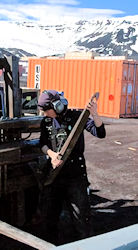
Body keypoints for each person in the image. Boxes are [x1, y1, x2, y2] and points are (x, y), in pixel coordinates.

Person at [37, 90, 106, 244]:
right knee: (49, 217)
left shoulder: (77, 118)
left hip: (75, 176)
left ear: (57, 106)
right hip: (55, 176)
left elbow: (100, 133)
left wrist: (94, 113)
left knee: (81, 218)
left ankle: (86, 245)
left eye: (46, 110)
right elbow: (42, 143)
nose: (45, 114)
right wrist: (51, 154)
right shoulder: (46, 122)